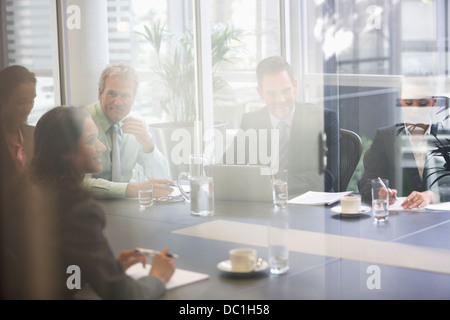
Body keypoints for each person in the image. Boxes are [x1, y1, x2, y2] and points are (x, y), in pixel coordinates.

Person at [29, 106, 175, 299]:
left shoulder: (32, 192)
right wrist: (157, 277)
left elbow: (59, 276)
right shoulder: (77, 209)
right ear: (65, 150)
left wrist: (103, 269)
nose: (102, 147)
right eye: (91, 141)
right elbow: (126, 296)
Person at [231, 56, 339, 195]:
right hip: (265, 207)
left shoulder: (324, 120)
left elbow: (326, 177)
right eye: (271, 93)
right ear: (260, 93)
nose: (280, 100)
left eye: (285, 91)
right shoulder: (251, 122)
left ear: (295, 86)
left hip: (310, 207)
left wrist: (277, 184)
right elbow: (226, 167)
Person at [358, 69, 450, 209]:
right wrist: (380, 191)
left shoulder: (446, 136)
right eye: (408, 102)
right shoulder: (385, 137)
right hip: (399, 217)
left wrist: (432, 195)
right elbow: (366, 181)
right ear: (400, 99)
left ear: (433, 101)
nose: (415, 109)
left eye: (422, 103)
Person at [83, 62, 174, 199]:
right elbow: (81, 184)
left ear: (134, 98)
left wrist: (148, 144)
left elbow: (161, 178)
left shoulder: (138, 123)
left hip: (127, 211)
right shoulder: (83, 122)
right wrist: (133, 189)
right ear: (100, 93)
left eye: (125, 96)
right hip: (89, 209)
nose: (118, 102)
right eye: (112, 94)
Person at [0, 65, 37, 173]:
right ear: (2, 99)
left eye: (32, 101)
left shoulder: (34, 134)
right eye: (21, 102)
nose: (28, 108)